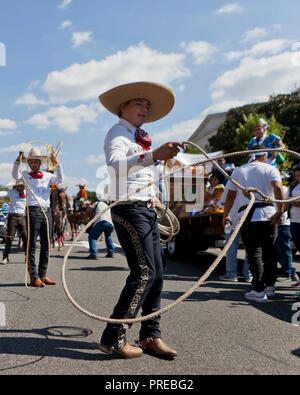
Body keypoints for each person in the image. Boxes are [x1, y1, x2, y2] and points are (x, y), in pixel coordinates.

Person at [96, 81, 184, 359]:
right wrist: (154, 155)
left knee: (157, 274)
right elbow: (115, 166)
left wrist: (155, 195)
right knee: (144, 272)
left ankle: (150, 335)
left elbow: (141, 175)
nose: (144, 109)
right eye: (139, 104)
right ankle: (113, 337)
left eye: (147, 106)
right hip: (129, 209)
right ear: (123, 106)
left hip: (146, 208)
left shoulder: (136, 137)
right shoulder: (118, 134)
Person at [222, 147, 284, 303]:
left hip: (248, 217)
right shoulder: (270, 168)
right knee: (270, 254)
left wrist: (226, 215)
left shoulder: (239, 171)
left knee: (254, 254)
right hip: (269, 215)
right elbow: (278, 187)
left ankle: (258, 290)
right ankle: (270, 287)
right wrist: (280, 211)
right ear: (264, 155)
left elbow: (230, 195)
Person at [12, 147, 63, 287]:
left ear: (40, 163)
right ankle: (34, 276)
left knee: (47, 244)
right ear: (29, 163)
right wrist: (17, 161)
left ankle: (43, 274)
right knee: (32, 244)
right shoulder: (25, 174)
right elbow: (14, 175)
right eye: (31, 162)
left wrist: (57, 163)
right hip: (33, 210)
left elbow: (60, 179)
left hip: (46, 211)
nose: (34, 164)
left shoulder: (47, 175)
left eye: (36, 162)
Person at [218, 179, 252, 283]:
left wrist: (225, 216)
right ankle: (249, 274)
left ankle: (232, 274)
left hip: (233, 218)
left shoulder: (233, 181)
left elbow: (223, 200)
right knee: (250, 247)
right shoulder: (252, 183)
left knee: (231, 247)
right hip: (248, 217)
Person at [0, 179, 27, 265]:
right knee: (9, 237)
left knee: (26, 237)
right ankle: (5, 256)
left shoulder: (27, 193)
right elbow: (3, 193)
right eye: (20, 185)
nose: (22, 187)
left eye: (23, 185)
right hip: (13, 217)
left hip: (22, 217)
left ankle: (28, 256)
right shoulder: (12, 192)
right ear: (16, 186)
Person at [276, 185, 299, 282]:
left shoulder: (284, 189)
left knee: (284, 248)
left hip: (284, 223)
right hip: (273, 222)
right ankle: (290, 271)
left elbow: (286, 204)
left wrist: (281, 215)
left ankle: (288, 272)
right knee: (276, 250)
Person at [288, 163, 300, 287]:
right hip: (294, 221)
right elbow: (286, 200)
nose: (298, 177)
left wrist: (295, 203)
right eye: (296, 175)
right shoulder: (292, 186)